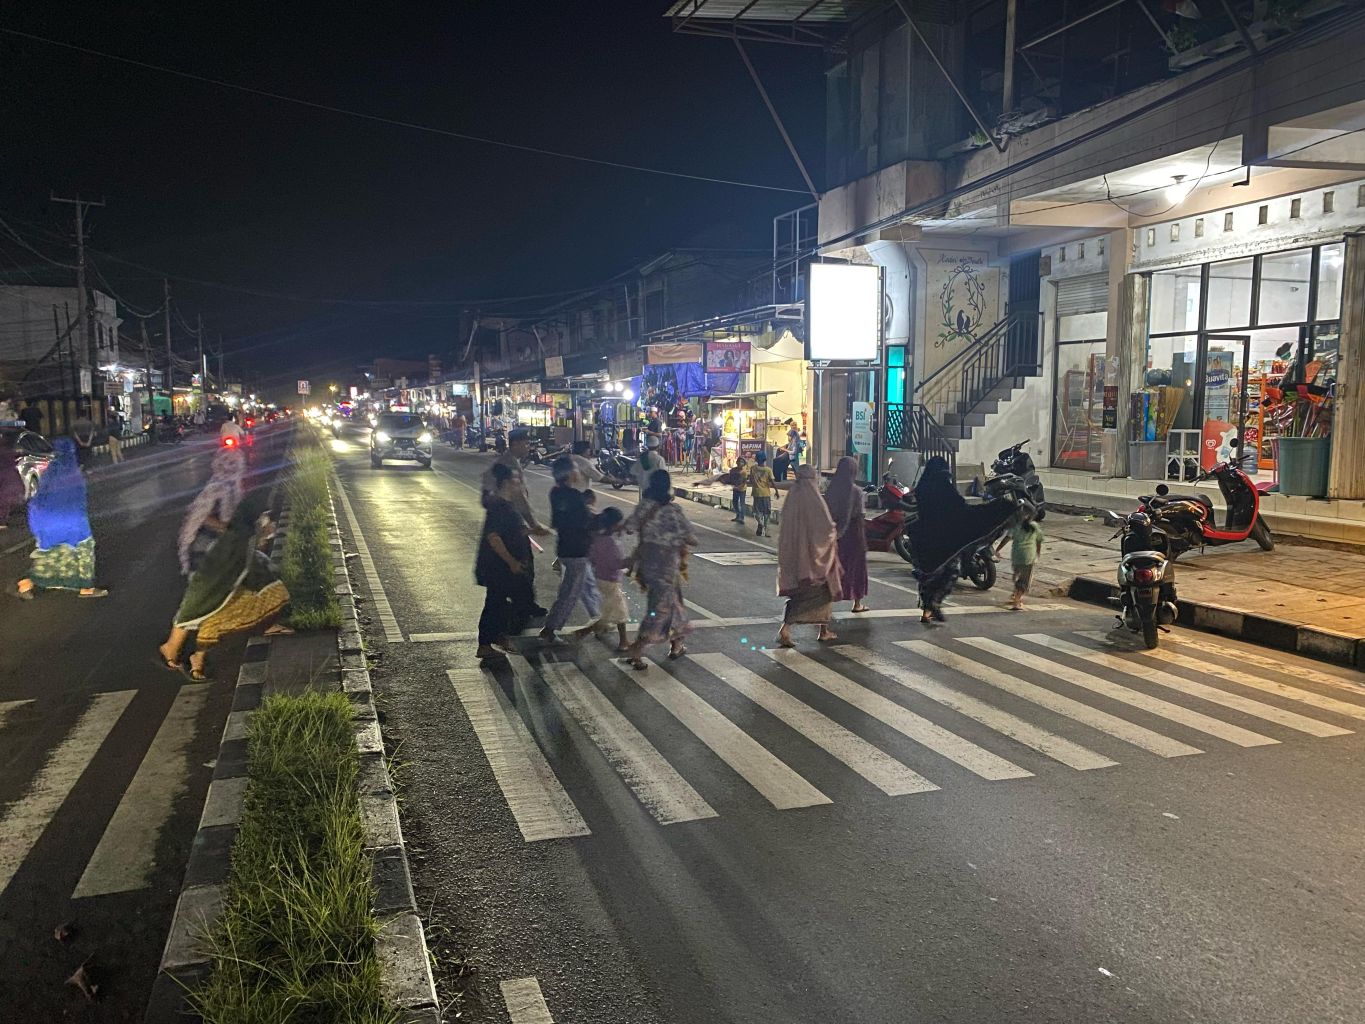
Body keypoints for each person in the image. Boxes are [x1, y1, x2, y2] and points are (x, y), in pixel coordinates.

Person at [158, 499, 290, 679]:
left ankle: (197, 655)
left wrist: (256, 531)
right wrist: (233, 533)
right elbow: (200, 513)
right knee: (205, 598)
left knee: (248, 591)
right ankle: (173, 646)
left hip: (234, 549)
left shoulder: (244, 484)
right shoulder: (221, 486)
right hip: (213, 549)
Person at [905, 456, 1014, 624]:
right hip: (946, 538)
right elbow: (958, 508)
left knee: (928, 575)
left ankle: (927, 608)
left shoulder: (922, 488)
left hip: (925, 538)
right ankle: (933, 603)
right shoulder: (944, 488)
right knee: (950, 571)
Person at [620, 470, 697, 668]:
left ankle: (677, 644)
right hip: (667, 565)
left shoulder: (643, 507)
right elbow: (691, 538)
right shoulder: (673, 511)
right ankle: (637, 648)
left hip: (647, 564)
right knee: (661, 608)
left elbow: (629, 527)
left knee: (673, 602)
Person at [14, 439, 106, 599]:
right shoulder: (73, 471)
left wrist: (38, 526)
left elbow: (38, 498)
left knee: (48, 554)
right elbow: (78, 500)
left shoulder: (49, 472)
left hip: (44, 520)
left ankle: (25, 584)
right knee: (84, 549)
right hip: (71, 521)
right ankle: (86, 588)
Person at [480, 428, 550, 616]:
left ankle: (524, 605)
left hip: (513, 523)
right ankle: (518, 610)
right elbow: (516, 499)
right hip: (508, 525)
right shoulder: (505, 467)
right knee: (510, 577)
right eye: (526, 444)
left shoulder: (514, 463)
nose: (528, 447)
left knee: (524, 568)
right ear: (516, 444)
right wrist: (532, 524)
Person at [776, 465, 841, 647]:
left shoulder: (793, 496)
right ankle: (787, 630)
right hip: (815, 558)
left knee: (802, 594)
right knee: (821, 593)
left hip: (795, 556)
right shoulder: (813, 498)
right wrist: (834, 532)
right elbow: (826, 527)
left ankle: (821, 629)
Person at [473, 462, 534, 659]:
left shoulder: (506, 504)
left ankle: (498, 636)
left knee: (502, 602)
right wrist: (511, 562)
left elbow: (509, 531)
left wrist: (527, 531)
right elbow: (494, 537)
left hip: (506, 566)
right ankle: (485, 643)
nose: (520, 484)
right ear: (507, 483)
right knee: (503, 602)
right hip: (498, 567)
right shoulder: (499, 505)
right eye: (517, 480)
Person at [540, 457, 600, 643]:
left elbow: (559, 521)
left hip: (566, 547)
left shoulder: (556, 492)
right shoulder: (573, 496)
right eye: (575, 469)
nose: (578, 473)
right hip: (577, 550)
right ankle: (549, 629)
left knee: (582, 587)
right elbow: (584, 522)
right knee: (570, 593)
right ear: (567, 473)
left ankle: (600, 620)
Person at [178, 446, 246, 575]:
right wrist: (227, 529)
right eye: (230, 463)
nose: (232, 467)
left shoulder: (233, 486)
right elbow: (203, 517)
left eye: (235, 463)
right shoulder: (215, 488)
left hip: (219, 545)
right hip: (203, 548)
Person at [575, 506, 631, 650]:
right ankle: (622, 641)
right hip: (611, 581)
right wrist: (629, 562)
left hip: (599, 577)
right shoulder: (611, 542)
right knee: (620, 612)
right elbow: (615, 564)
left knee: (608, 610)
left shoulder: (598, 538)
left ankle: (600, 630)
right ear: (614, 524)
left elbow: (592, 558)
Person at [824, 456, 870, 613]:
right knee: (856, 567)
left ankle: (827, 602)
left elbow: (828, 511)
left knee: (834, 568)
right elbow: (860, 514)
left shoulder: (831, 489)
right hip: (854, 533)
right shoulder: (856, 491)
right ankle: (857, 603)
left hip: (834, 532)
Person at [997, 512, 1044, 610]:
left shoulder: (1015, 526)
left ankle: (1015, 592)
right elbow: (1039, 541)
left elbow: (1006, 539)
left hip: (1016, 555)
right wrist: (1038, 554)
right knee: (1025, 581)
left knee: (1017, 574)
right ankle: (1017, 601)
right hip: (1028, 556)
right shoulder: (1034, 526)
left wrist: (997, 549)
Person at [748, 450, 778, 537]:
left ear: (756, 459)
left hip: (756, 493)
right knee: (767, 513)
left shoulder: (753, 468)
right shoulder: (768, 470)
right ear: (765, 459)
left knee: (757, 511)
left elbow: (751, 480)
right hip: (766, 494)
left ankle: (760, 523)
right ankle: (767, 530)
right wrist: (776, 491)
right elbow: (772, 482)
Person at [0, 431, 24, 529]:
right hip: (10, 476)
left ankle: (2, 520)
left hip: (7, 476)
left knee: (5, 498)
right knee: (6, 498)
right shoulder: (12, 450)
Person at [72, 405, 96, 470]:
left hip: (79, 440)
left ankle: (81, 466)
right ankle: (88, 467)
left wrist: (80, 442)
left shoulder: (75, 423)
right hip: (87, 438)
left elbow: (75, 434)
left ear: (79, 415)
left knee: (80, 454)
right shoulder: (90, 423)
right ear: (85, 415)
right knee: (88, 454)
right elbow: (91, 433)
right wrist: (89, 442)